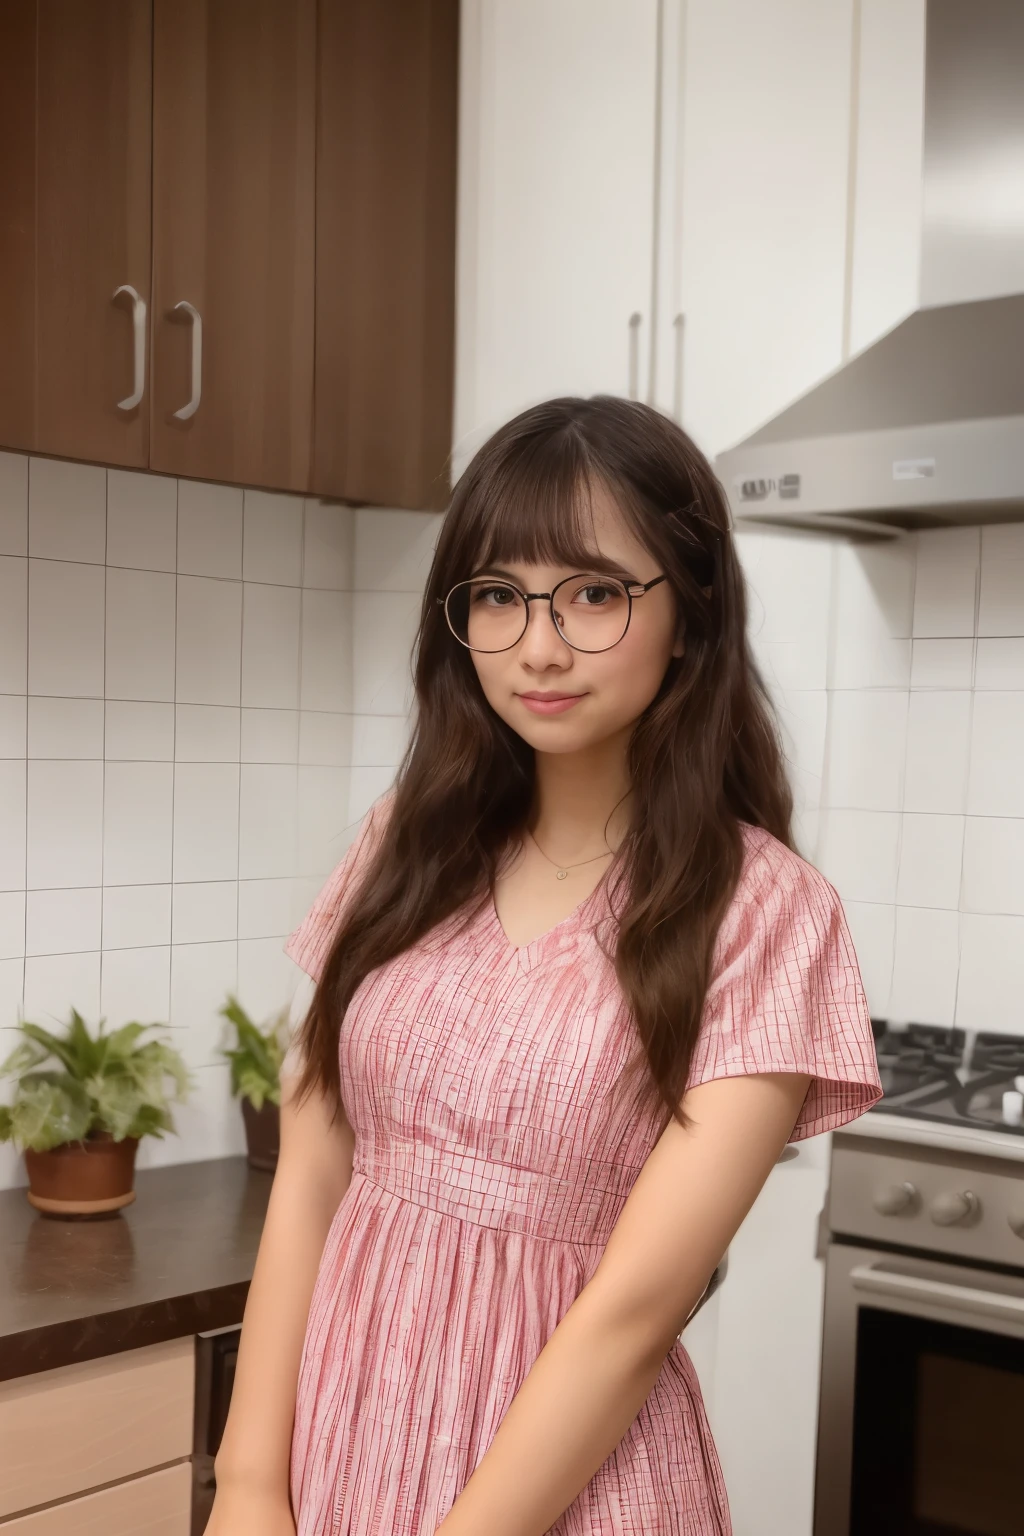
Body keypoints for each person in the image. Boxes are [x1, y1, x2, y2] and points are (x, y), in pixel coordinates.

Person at [205, 395, 882, 1536]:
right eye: (499, 597)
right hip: (339, 1448)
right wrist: (248, 1486)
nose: (540, 646)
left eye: (596, 594)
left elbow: (636, 1309)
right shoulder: (402, 845)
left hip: (566, 1495)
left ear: (693, 612)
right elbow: (313, 1168)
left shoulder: (765, 911)